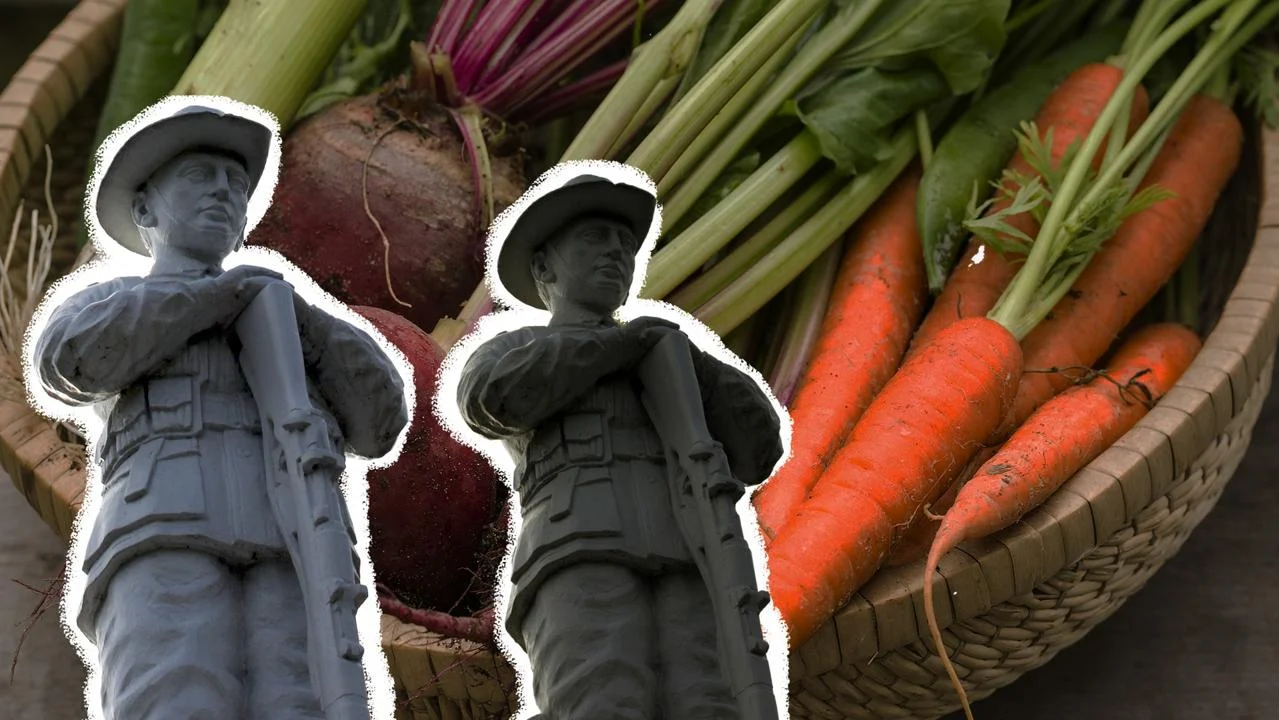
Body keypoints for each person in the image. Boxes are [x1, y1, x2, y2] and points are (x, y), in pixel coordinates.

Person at [32, 103, 408, 719]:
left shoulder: (290, 319)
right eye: (199, 174)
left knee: (300, 699)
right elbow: (70, 362)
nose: (223, 192)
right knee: (176, 692)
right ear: (146, 210)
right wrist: (210, 298)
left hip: (291, 537)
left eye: (236, 183)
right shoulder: (110, 301)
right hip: (161, 527)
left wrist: (300, 321)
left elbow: (381, 419)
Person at [456, 171, 784, 719]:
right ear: (544, 267)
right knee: (601, 696)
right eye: (594, 238)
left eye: (625, 245)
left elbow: (758, 448)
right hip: (576, 546)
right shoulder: (516, 348)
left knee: (708, 701)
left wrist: (688, 363)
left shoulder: (666, 355)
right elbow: (493, 400)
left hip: (688, 551)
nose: (616, 254)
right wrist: (616, 346)